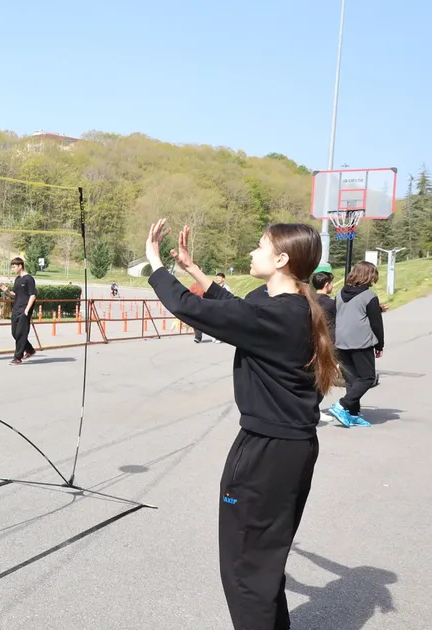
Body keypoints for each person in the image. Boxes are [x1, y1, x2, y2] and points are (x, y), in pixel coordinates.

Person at [144, 219, 339, 630]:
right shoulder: (291, 307)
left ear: (282, 258)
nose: (252, 252)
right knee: (262, 566)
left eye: (260, 246)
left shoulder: (277, 317)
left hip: (266, 452)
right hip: (290, 448)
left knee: (244, 569)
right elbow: (238, 309)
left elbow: (192, 309)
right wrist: (192, 269)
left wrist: (155, 264)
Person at [328, 262, 384, 428]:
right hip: (360, 341)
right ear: (369, 276)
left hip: (341, 341)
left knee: (351, 379)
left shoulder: (339, 294)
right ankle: (342, 405)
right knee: (367, 377)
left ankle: (352, 413)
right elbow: (376, 324)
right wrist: (379, 344)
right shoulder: (369, 296)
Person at [0, 257, 36, 365]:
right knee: (14, 333)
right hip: (16, 308)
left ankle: (17, 357)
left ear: (20, 266)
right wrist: (7, 291)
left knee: (21, 333)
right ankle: (29, 349)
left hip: (24, 309)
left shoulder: (29, 279)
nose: (13, 269)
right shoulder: (17, 279)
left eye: (14, 267)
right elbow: (16, 295)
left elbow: (32, 295)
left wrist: (27, 310)